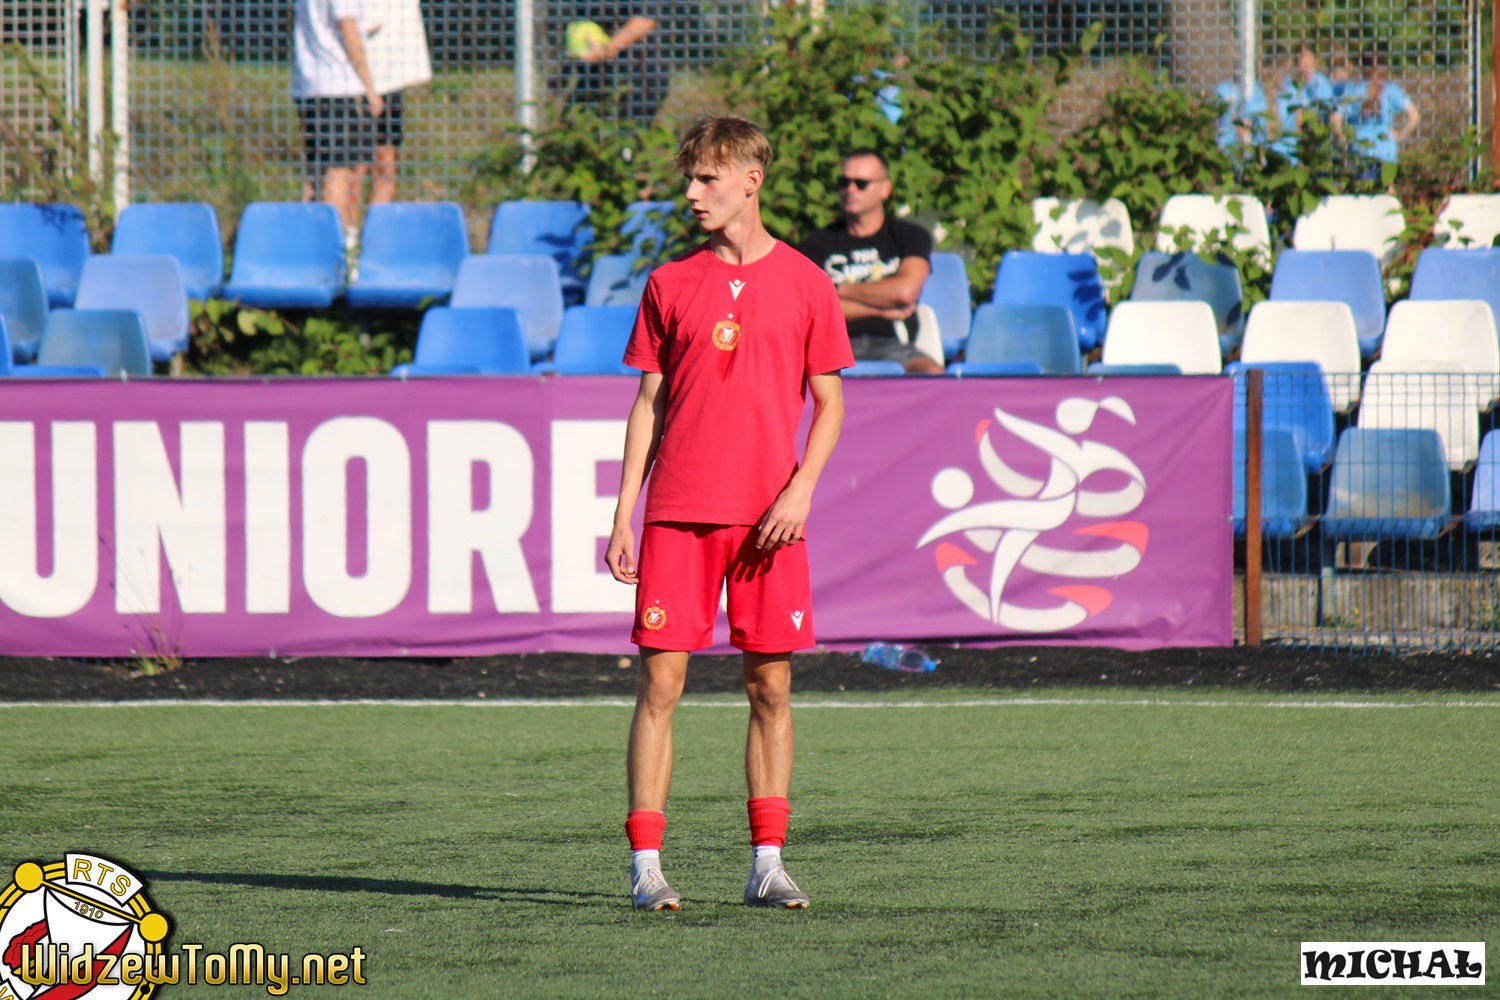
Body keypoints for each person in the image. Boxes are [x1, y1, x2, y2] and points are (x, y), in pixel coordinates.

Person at [606, 116, 853, 912]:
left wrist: (801, 490)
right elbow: (647, 404)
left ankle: (767, 865)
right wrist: (623, 513)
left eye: (706, 178)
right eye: (690, 177)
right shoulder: (669, 283)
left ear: (751, 179)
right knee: (660, 686)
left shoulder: (808, 283)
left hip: (768, 521)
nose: (691, 192)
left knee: (771, 688)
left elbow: (830, 402)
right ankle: (647, 867)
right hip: (678, 513)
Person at [797, 150, 942, 374]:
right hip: (834, 346)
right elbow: (815, 309)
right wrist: (881, 309)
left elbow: (905, 292)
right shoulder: (816, 244)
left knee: (931, 373)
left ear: (885, 189)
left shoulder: (910, 236)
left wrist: (839, 289)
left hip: (894, 344)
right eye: (844, 182)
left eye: (861, 184)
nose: (850, 190)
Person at [292, 0, 384, 247]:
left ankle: (309, 245)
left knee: (316, 174)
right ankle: (333, 248)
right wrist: (370, 88)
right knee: (338, 172)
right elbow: (348, 30)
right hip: (337, 87)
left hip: (308, 85)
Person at [360, 0, 432, 204]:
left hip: (389, 77)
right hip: (352, 79)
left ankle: (376, 222)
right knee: (351, 170)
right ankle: (344, 224)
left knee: (386, 164)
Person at [1343, 50, 1420, 169]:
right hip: (1384, 151)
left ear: (1362, 68)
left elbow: (1336, 118)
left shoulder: (1354, 90)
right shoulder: (1392, 90)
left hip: (1362, 151)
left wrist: (1343, 141)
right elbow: (1414, 115)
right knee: (1386, 181)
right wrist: (1399, 135)